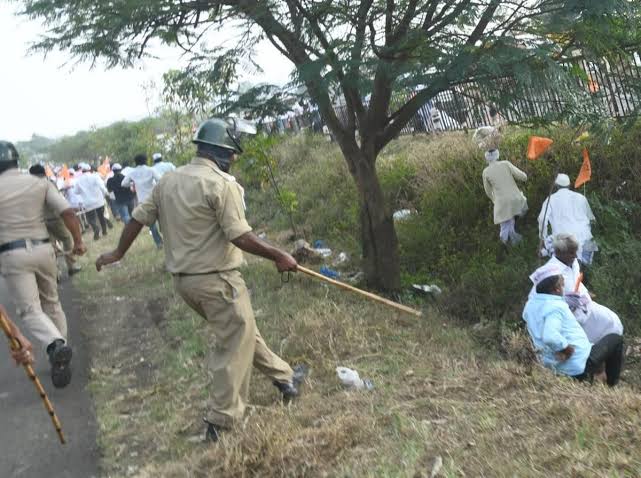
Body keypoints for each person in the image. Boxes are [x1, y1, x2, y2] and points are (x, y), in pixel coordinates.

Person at [96, 118, 307, 442]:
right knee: (235, 342)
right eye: (233, 153)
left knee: (244, 332)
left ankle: (286, 379)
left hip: (185, 284)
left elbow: (138, 219)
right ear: (225, 153)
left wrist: (118, 253)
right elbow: (239, 235)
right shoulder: (221, 184)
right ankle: (221, 422)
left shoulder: (169, 180)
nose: (235, 158)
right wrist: (279, 255)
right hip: (217, 281)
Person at [0, 141, 86, 387]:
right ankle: (60, 355)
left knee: (30, 310)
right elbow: (67, 212)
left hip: (12, 255)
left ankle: (55, 344)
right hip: (43, 249)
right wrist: (78, 241)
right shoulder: (39, 183)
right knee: (52, 303)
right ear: (16, 161)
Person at [523, 263, 624, 387]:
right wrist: (566, 348)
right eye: (562, 285)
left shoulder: (531, 306)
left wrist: (564, 302)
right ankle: (611, 387)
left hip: (554, 367)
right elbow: (550, 336)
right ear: (557, 289)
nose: (564, 288)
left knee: (595, 346)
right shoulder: (555, 307)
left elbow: (546, 316)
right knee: (616, 339)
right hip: (578, 366)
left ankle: (595, 380)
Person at [530, 233, 623, 344]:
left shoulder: (573, 263)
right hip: (568, 318)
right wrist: (564, 301)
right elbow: (536, 300)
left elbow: (575, 280)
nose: (575, 255)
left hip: (586, 309)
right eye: (571, 252)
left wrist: (584, 292)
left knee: (613, 322)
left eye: (575, 251)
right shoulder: (549, 271)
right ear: (559, 252)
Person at [29, 165, 82, 277]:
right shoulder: (48, 184)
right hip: (54, 218)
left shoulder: (29, 188)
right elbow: (58, 202)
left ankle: (55, 272)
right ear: (44, 173)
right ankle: (71, 266)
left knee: (50, 246)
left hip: (40, 221)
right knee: (67, 239)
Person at [538, 173, 597, 264]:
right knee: (579, 269)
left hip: (564, 242)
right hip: (585, 241)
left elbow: (542, 219)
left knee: (563, 265)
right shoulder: (581, 197)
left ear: (556, 186)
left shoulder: (551, 199)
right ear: (569, 185)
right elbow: (592, 219)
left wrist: (542, 239)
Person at [482, 149, 528, 245]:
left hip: (501, 203)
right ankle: (514, 244)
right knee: (510, 221)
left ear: (486, 158)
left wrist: (495, 200)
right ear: (497, 155)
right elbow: (522, 176)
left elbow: (488, 191)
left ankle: (505, 246)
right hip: (515, 199)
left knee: (505, 226)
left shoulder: (486, 172)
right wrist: (525, 176)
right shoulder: (505, 164)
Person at [121, 154, 163, 248]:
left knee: (151, 225)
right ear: (145, 160)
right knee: (162, 219)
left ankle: (159, 243)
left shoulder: (133, 172)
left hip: (143, 202)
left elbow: (123, 183)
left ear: (135, 162)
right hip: (154, 198)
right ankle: (167, 238)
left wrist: (133, 183)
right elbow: (160, 179)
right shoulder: (150, 169)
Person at [74, 163, 109, 240]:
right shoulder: (95, 176)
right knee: (101, 216)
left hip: (87, 202)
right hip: (99, 200)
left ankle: (95, 227)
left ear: (82, 171)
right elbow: (102, 186)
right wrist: (106, 193)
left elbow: (75, 191)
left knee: (90, 218)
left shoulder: (78, 180)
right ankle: (104, 231)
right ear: (89, 169)